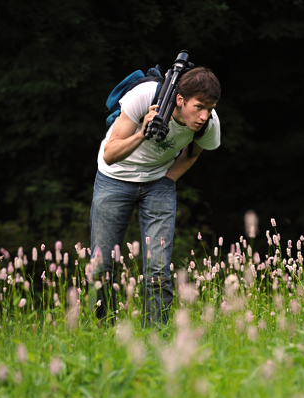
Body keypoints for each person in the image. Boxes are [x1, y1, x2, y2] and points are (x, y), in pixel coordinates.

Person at [90, 66, 221, 325]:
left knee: (158, 270)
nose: (205, 115)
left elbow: (193, 155)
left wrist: (166, 181)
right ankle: (104, 330)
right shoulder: (145, 96)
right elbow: (109, 153)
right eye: (199, 107)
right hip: (114, 178)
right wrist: (142, 133)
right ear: (180, 100)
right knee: (102, 265)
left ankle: (156, 337)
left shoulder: (209, 124)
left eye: (211, 108)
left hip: (158, 183)